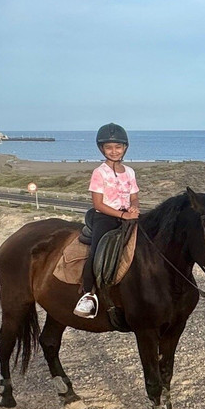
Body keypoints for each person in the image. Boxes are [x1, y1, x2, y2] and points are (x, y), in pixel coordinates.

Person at [74, 123, 140, 318]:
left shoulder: (129, 172)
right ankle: (88, 294)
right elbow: (98, 204)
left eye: (118, 147)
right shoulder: (99, 172)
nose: (114, 151)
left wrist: (134, 207)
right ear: (102, 149)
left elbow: (134, 195)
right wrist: (123, 215)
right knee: (97, 250)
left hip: (127, 214)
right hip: (105, 216)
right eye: (109, 147)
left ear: (125, 148)